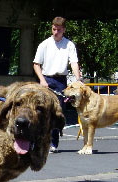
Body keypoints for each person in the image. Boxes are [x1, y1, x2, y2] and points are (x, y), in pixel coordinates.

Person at [33, 16, 82, 153]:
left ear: (64, 30)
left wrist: (78, 78)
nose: (55, 32)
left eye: (58, 30)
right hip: (46, 79)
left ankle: (53, 144)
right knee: (43, 111)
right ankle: (39, 142)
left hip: (61, 81)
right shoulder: (44, 44)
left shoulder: (69, 45)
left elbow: (73, 63)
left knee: (57, 113)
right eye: (54, 29)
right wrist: (42, 80)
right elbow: (36, 64)